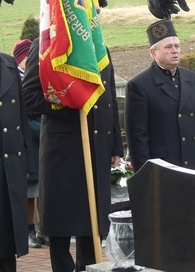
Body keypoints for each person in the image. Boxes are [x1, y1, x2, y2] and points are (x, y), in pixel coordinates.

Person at [23, 40, 123, 272]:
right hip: (62, 150)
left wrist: (115, 145)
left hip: (97, 146)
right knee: (61, 224)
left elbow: (108, 98)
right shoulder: (46, 43)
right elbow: (30, 94)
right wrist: (68, 104)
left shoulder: (99, 44)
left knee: (93, 223)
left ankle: (90, 267)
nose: (94, 13)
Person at [125, 19, 195, 173]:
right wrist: (145, 174)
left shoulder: (192, 77)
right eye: (168, 47)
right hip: (165, 167)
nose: (175, 50)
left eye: (177, 46)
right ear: (153, 53)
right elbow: (137, 138)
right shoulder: (139, 85)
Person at [0, 50, 34, 272]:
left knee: (7, 237)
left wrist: (28, 160)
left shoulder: (8, 63)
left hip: (10, 164)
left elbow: (22, 114)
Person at [12, 39, 43, 249]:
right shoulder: (15, 80)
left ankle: (43, 229)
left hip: (42, 144)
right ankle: (29, 230)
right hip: (29, 142)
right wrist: (42, 130)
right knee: (29, 193)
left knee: (42, 190)